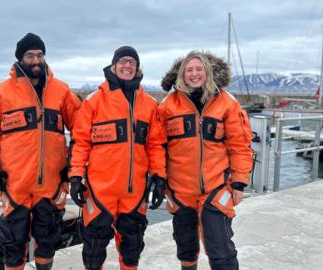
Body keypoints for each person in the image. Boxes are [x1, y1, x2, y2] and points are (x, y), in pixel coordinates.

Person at [0, 33, 81, 270]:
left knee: (48, 240)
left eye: (40, 54)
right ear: (20, 58)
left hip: (52, 185)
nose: (36, 60)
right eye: (30, 55)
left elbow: (82, 130)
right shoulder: (1, 92)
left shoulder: (62, 91)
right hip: (15, 184)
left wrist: (73, 168)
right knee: (13, 244)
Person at [68, 45, 167, 270]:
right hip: (100, 190)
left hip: (135, 192)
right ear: (113, 66)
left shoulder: (150, 105)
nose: (127, 65)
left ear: (137, 68)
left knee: (132, 249)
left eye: (132, 62)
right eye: (123, 61)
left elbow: (155, 145)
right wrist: (75, 177)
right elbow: (80, 142)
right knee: (93, 250)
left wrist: (160, 177)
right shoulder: (94, 101)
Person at [158, 51, 253, 270]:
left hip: (216, 188)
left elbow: (239, 145)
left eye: (199, 69)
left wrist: (239, 183)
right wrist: (158, 178)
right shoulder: (167, 106)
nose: (194, 74)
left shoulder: (227, 103)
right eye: (189, 70)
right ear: (182, 74)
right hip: (180, 191)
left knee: (221, 250)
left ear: (207, 72)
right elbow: (157, 147)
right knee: (186, 249)